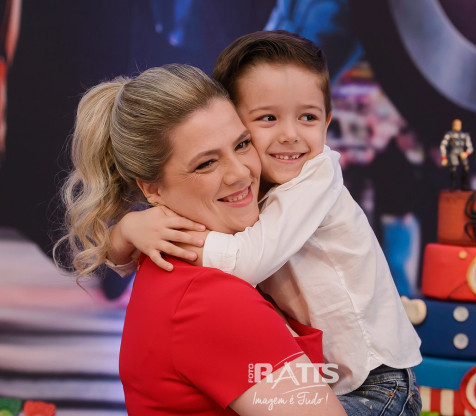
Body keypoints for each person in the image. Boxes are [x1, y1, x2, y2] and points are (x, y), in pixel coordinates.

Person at [109, 31, 422, 415]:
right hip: (343, 378)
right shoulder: (251, 196)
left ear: (327, 122)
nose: (290, 135)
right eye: (268, 119)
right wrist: (127, 230)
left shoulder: (315, 176)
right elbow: (126, 262)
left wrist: (170, 238)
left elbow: (247, 261)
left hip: (379, 385)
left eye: (308, 117)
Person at [53, 63, 348, 416]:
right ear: (152, 189)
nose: (240, 172)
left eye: (242, 144)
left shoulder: (176, 274)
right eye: (206, 163)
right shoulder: (212, 300)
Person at [440, 118, 473, 190]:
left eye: (459, 125)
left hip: (462, 153)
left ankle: (464, 185)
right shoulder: (449, 134)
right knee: (453, 167)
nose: (457, 126)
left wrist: (466, 153)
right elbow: (443, 145)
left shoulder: (465, 135)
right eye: (456, 124)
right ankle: (453, 185)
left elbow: (470, 147)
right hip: (453, 153)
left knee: (466, 167)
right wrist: (444, 158)